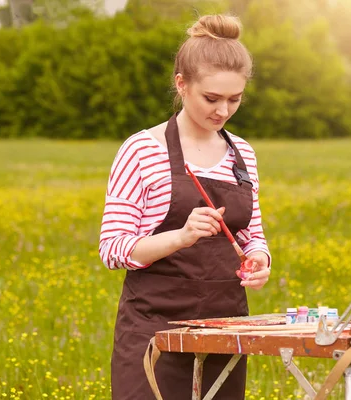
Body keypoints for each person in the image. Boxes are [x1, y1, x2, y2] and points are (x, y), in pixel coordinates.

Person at [98, 14, 272, 400]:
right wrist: (181, 236)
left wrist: (260, 257)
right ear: (181, 84)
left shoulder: (242, 153)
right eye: (211, 98)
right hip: (154, 334)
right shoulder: (143, 150)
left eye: (235, 99)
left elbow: (251, 232)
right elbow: (112, 250)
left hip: (224, 333)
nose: (223, 111)